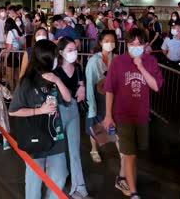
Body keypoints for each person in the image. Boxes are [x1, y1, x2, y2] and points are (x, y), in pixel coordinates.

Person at [103, 28, 163, 199]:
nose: (135, 47)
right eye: (132, 44)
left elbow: (156, 86)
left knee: (135, 153)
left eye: (139, 44)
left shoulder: (150, 61)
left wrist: (141, 66)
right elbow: (109, 89)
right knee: (130, 154)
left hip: (142, 116)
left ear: (144, 45)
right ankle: (134, 191)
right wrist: (108, 115)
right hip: (122, 116)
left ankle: (124, 178)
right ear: (126, 45)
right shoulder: (118, 62)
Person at [8, 39, 71, 199]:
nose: (59, 59)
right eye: (56, 55)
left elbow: (68, 99)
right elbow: (13, 111)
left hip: (56, 135)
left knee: (60, 175)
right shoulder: (27, 82)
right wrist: (40, 110)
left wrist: (57, 80)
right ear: (46, 57)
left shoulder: (54, 77)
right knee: (34, 178)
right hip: (34, 136)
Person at [53, 37, 91, 199]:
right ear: (61, 52)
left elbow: (81, 81)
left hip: (73, 110)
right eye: (70, 50)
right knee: (59, 150)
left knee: (75, 149)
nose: (74, 53)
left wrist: (82, 87)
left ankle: (79, 187)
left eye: (74, 49)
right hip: (58, 111)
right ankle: (58, 182)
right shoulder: (54, 71)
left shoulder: (78, 67)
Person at [85, 30, 117, 164]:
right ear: (100, 42)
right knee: (95, 124)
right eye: (106, 41)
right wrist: (91, 105)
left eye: (112, 41)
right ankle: (94, 149)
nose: (110, 44)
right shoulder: (93, 61)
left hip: (112, 96)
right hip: (97, 97)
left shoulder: (115, 59)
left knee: (112, 123)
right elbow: (90, 83)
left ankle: (119, 149)